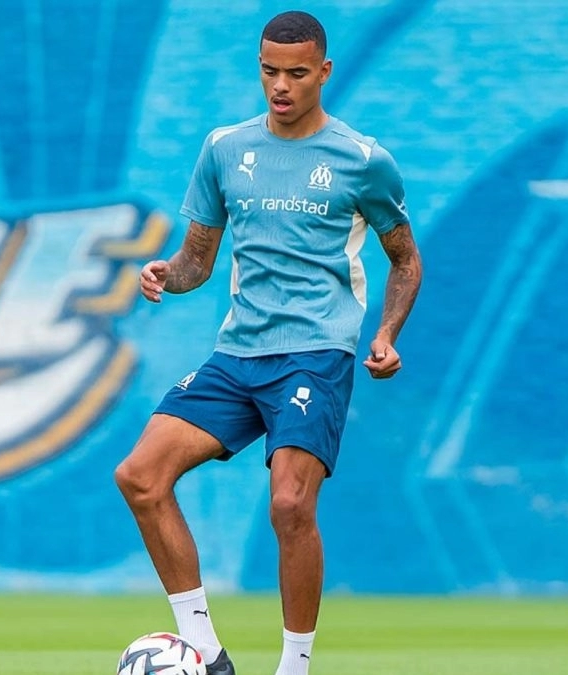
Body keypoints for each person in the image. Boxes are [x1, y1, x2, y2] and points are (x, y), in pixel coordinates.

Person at [114, 9, 422, 675]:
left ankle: (294, 666)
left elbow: (405, 259)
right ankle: (206, 650)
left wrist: (388, 334)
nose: (280, 85)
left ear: (324, 73)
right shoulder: (226, 149)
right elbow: (198, 261)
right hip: (237, 354)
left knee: (289, 502)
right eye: (269, 71)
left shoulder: (362, 161)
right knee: (140, 476)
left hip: (316, 352)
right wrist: (170, 272)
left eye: (296, 73)